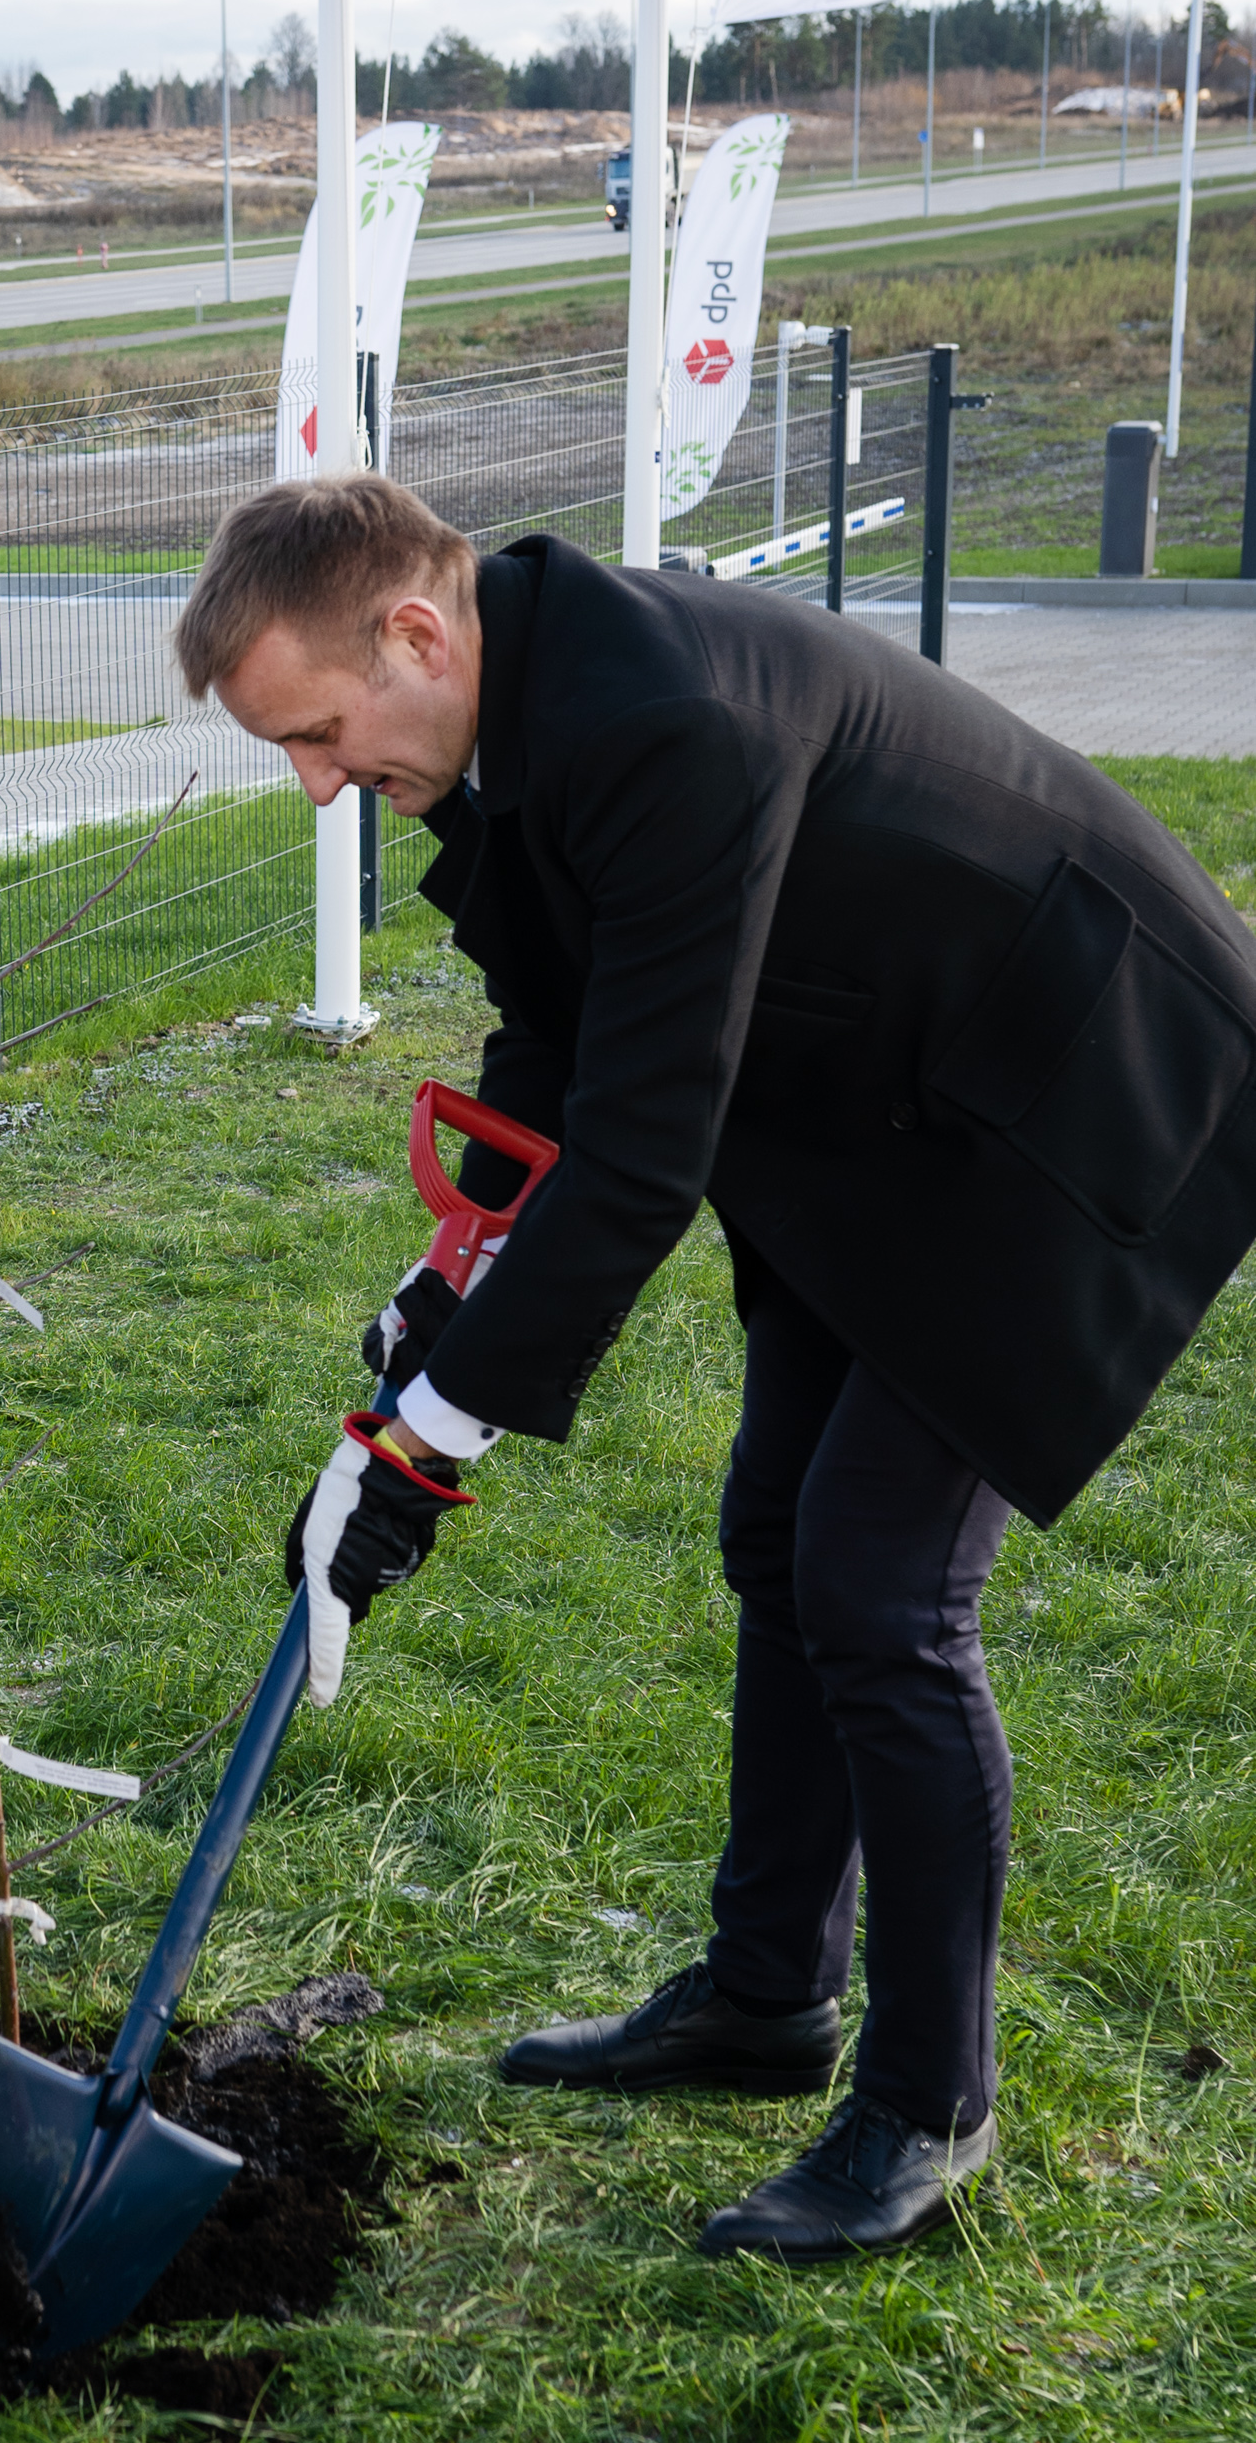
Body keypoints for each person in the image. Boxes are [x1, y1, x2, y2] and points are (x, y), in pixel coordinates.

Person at [178, 473, 1256, 2259]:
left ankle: (925, 2107)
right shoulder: (514, 718)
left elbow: (643, 1138)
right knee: (779, 1532)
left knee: (879, 1592)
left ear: (415, 636)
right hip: (875, 1102)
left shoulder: (658, 715)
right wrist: (426, 1313)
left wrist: (432, 1443)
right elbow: (559, 1033)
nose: (311, 781)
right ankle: (767, 1996)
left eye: (315, 731)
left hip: (1062, 1096)